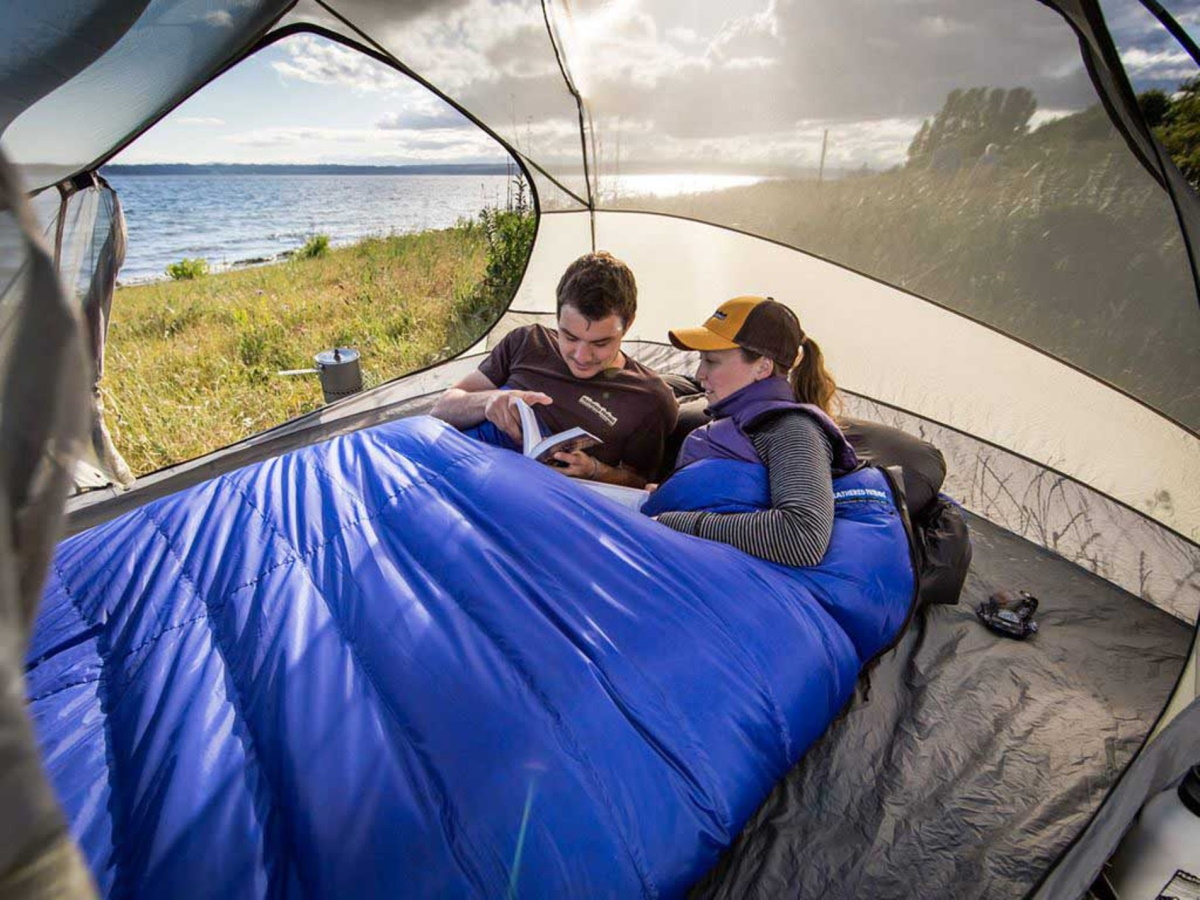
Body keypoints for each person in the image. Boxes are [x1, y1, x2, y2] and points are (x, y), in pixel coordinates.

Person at [431, 252, 677, 487]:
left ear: (628, 324)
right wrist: (489, 400)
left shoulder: (650, 398)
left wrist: (595, 470)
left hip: (535, 495)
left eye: (600, 343)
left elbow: (641, 483)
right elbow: (442, 408)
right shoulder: (528, 342)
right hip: (461, 463)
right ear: (557, 316)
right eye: (569, 337)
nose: (581, 356)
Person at [650, 296, 859, 567]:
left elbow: (803, 537)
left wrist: (673, 522)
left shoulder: (792, 429)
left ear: (762, 367)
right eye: (701, 359)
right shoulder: (735, 424)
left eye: (712, 361)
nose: (700, 373)